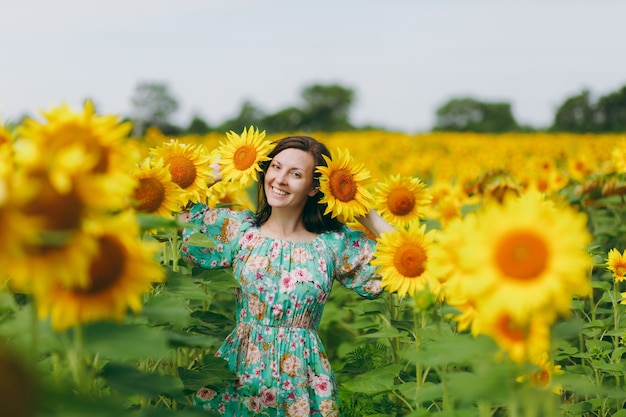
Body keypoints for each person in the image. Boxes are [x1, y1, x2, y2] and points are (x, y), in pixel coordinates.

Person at [179, 135, 394, 416]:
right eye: (275, 167)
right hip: (242, 368)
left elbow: (406, 259)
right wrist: (218, 170)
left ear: (314, 188)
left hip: (302, 378)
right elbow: (176, 213)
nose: (280, 179)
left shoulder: (331, 243)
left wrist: (361, 207)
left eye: (295, 174)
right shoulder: (241, 231)